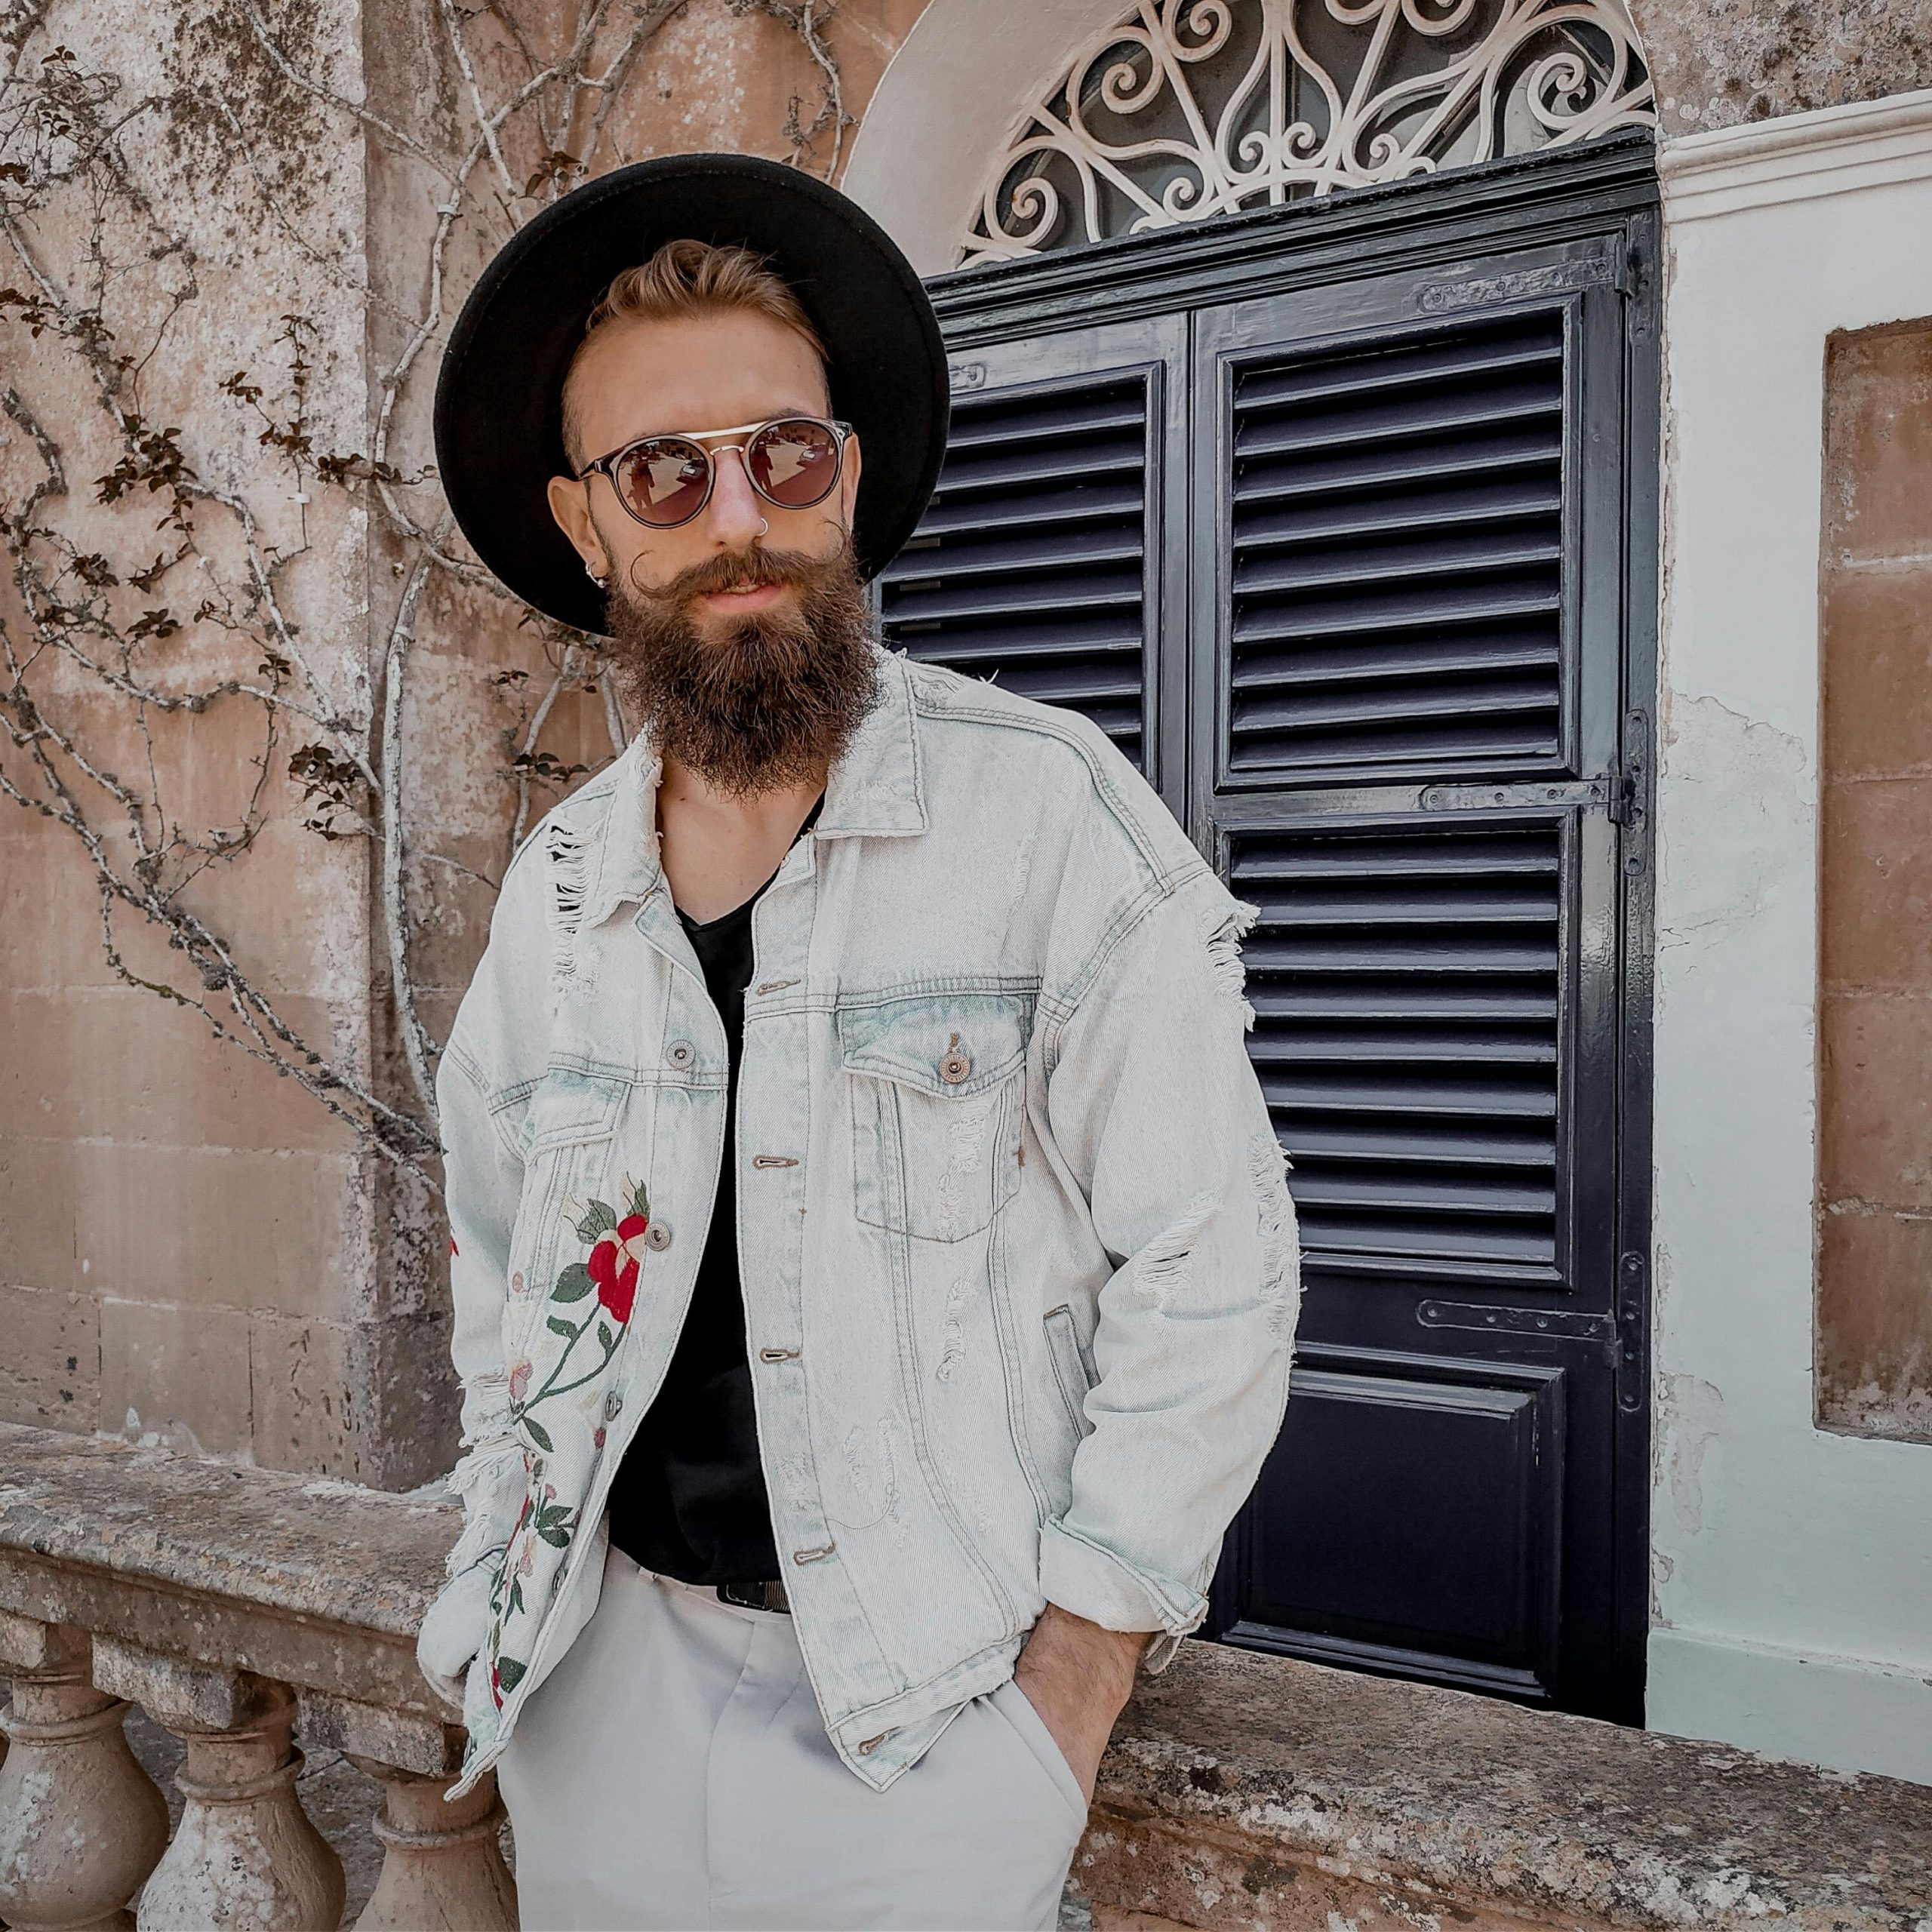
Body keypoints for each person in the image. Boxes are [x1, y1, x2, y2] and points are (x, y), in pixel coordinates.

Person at [416, 152, 1300, 1930]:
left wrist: (1075, 1679)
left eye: (782, 454)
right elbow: (501, 1278)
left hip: (936, 1716)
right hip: (596, 1683)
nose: (734, 513)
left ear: (846, 476)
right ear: (589, 527)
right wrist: (492, 1572)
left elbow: (1211, 1264)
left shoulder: (1048, 819)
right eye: (664, 471)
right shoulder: (555, 892)